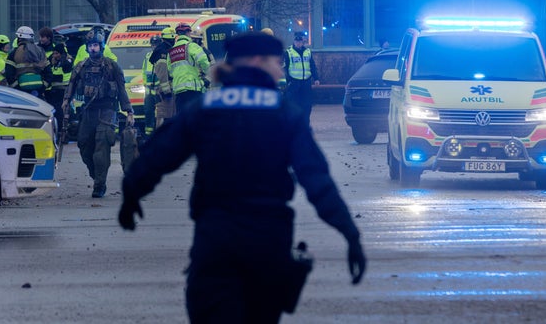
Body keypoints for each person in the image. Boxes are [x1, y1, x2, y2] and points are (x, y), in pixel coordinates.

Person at [119, 32, 366, 322]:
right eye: (277, 62)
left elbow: (157, 155)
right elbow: (316, 180)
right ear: (258, 62)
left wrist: (132, 194)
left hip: (215, 237)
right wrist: (349, 232)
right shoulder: (284, 113)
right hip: (268, 240)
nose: (281, 69)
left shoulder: (205, 109)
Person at [62, 29, 134, 198]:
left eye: (95, 45)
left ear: (101, 46)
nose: (93, 48)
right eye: (90, 46)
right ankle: (97, 175)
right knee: (84, 146)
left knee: (101, 146)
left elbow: (122, 90)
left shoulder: (112, 66)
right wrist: (66, 101)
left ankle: (99, 184)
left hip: (107, 110)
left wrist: (129, 111)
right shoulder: (81, 66)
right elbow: (71, 85)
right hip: (88, 111)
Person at [168, 22, 210, 112]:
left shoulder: (171, 51)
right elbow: (203, 60)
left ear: (178, 34)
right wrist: (207, 74)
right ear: (188, 33)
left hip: (178, 91)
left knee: (182, 120)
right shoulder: (191, 46)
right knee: (195, 119)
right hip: (193, 89)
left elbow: (170, 71)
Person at [283, 31, 320, 116]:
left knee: (307, 106)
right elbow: (285, 68)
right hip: (294, 83)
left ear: (302, 42)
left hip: (306, 82)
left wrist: (316, 78)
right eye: (297, 41)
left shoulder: (308, 51)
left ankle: (305, 125)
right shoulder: (289, 52)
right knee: (294, 106)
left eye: (300, 42)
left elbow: (312, 66)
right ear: (294, 41)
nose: (298, 43)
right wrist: (288, 81)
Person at [39, 26, 73, 118]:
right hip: (49, 87)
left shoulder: (59, 50)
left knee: (59, 110)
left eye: (43, 37)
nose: (40, 39)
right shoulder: (38, 48)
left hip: (59, 88)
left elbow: (65, 64)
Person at [5, 26, 46, 96]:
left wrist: (17, 89)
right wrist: (41, 90)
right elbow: (48, 72)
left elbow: (9, 74)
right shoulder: (40, 51)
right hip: (38, 92)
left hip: (21, 92)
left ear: (19, 38)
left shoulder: (13, 53)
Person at [151, 27, 176, 128]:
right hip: (164, 90)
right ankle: (160, 139)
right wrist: (167, 91)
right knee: (163, 115)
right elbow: (162, 72)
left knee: (168, 114)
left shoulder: (162, 49)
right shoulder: (163, 52)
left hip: (162, 88)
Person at [141, 35, 162, 139]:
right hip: (149, 90)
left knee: (161, 113)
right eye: (153, 44)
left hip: (159, 90)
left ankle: (160, 134)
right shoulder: (147, 56)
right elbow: (144, 72)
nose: (154, 46)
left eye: (156, 44)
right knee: (148, 112)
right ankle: (148, 136)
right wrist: (145, 83)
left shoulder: (163, 55)